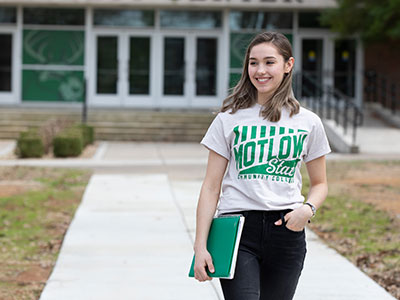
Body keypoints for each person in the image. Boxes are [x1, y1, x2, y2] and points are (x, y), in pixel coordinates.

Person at [192, 31, 331, 300]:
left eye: (269, 62)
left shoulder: (308, 121)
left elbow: (320, 183)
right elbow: (210, 187)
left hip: (287, 231)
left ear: (287, 65)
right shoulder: (228, 119)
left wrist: (307, 209)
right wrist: (200, 245)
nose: (260, 70)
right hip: (238, 231)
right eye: (253, 62)